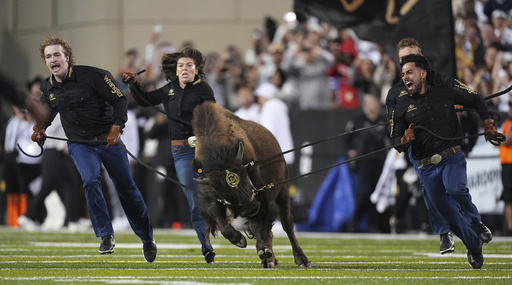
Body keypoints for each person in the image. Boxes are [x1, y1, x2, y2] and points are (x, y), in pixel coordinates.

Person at [30, 35, 156, 262]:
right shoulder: (47, 86)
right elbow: (48, 111)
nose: (53, 59)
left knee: (127, 189)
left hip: (108, 139)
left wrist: (117, 127)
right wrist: (40, 127)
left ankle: (147, 237)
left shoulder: (95, 76)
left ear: (67, 57)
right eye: (48, 56)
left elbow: (119, 101)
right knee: (90, 179)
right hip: (79, 144)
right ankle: (105, 234)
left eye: (57, 54)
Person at [390, 54, 497, 269]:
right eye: (403, 74)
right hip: (426, 166)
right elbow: (394, 139)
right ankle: (474, 247)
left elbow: (475, 98)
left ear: (423, 73)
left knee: (455, 189)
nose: (405, 77)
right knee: (449, 215)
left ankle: (476, 223)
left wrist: (487, 122)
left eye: (409, 72)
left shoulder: (444, 87)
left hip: (451, 156)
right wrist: (404, 141)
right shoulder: (400, 103)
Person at [123, 47, 217, 263]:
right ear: (175, 71)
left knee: (214, 188)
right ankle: (206, 245)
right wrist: (133, 84)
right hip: (181, 151)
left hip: (203, 147)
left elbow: (214, 116)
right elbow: (145, 100)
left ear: (196, 70)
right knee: (193, 196)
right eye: (181, 65)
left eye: (189, 65)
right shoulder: (168, 90)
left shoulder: (203, 90)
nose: (185, 68)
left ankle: (227, 222)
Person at [385, 38, 455, 254]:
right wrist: (402, 140)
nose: (408, 62)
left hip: (447, 141)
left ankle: (471, 225)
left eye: (412, 57)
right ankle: (444, 232)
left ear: (421, 57)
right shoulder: (395, 94)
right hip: (421, 148)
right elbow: (394, 133)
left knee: (455, 188)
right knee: (430, 187)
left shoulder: (440, 81)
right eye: (404, 59)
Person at [345, 93, 390, 233]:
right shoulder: (357, 120)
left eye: (375, 102)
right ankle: (354, 222)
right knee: (364, 192)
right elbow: (346, 139)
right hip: (364, 162)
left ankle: (374, 225)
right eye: (371, 102)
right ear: (365, 104)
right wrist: (351, 150)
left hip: (381, 162)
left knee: (377, 194)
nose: (374, 105)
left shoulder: (384, 120)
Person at [499, 99, 512, 235]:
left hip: (510, 162)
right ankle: (509, 228)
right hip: (506, 163)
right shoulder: (507, 123)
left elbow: (507, 140)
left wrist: (500, 138)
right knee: (507, 197)